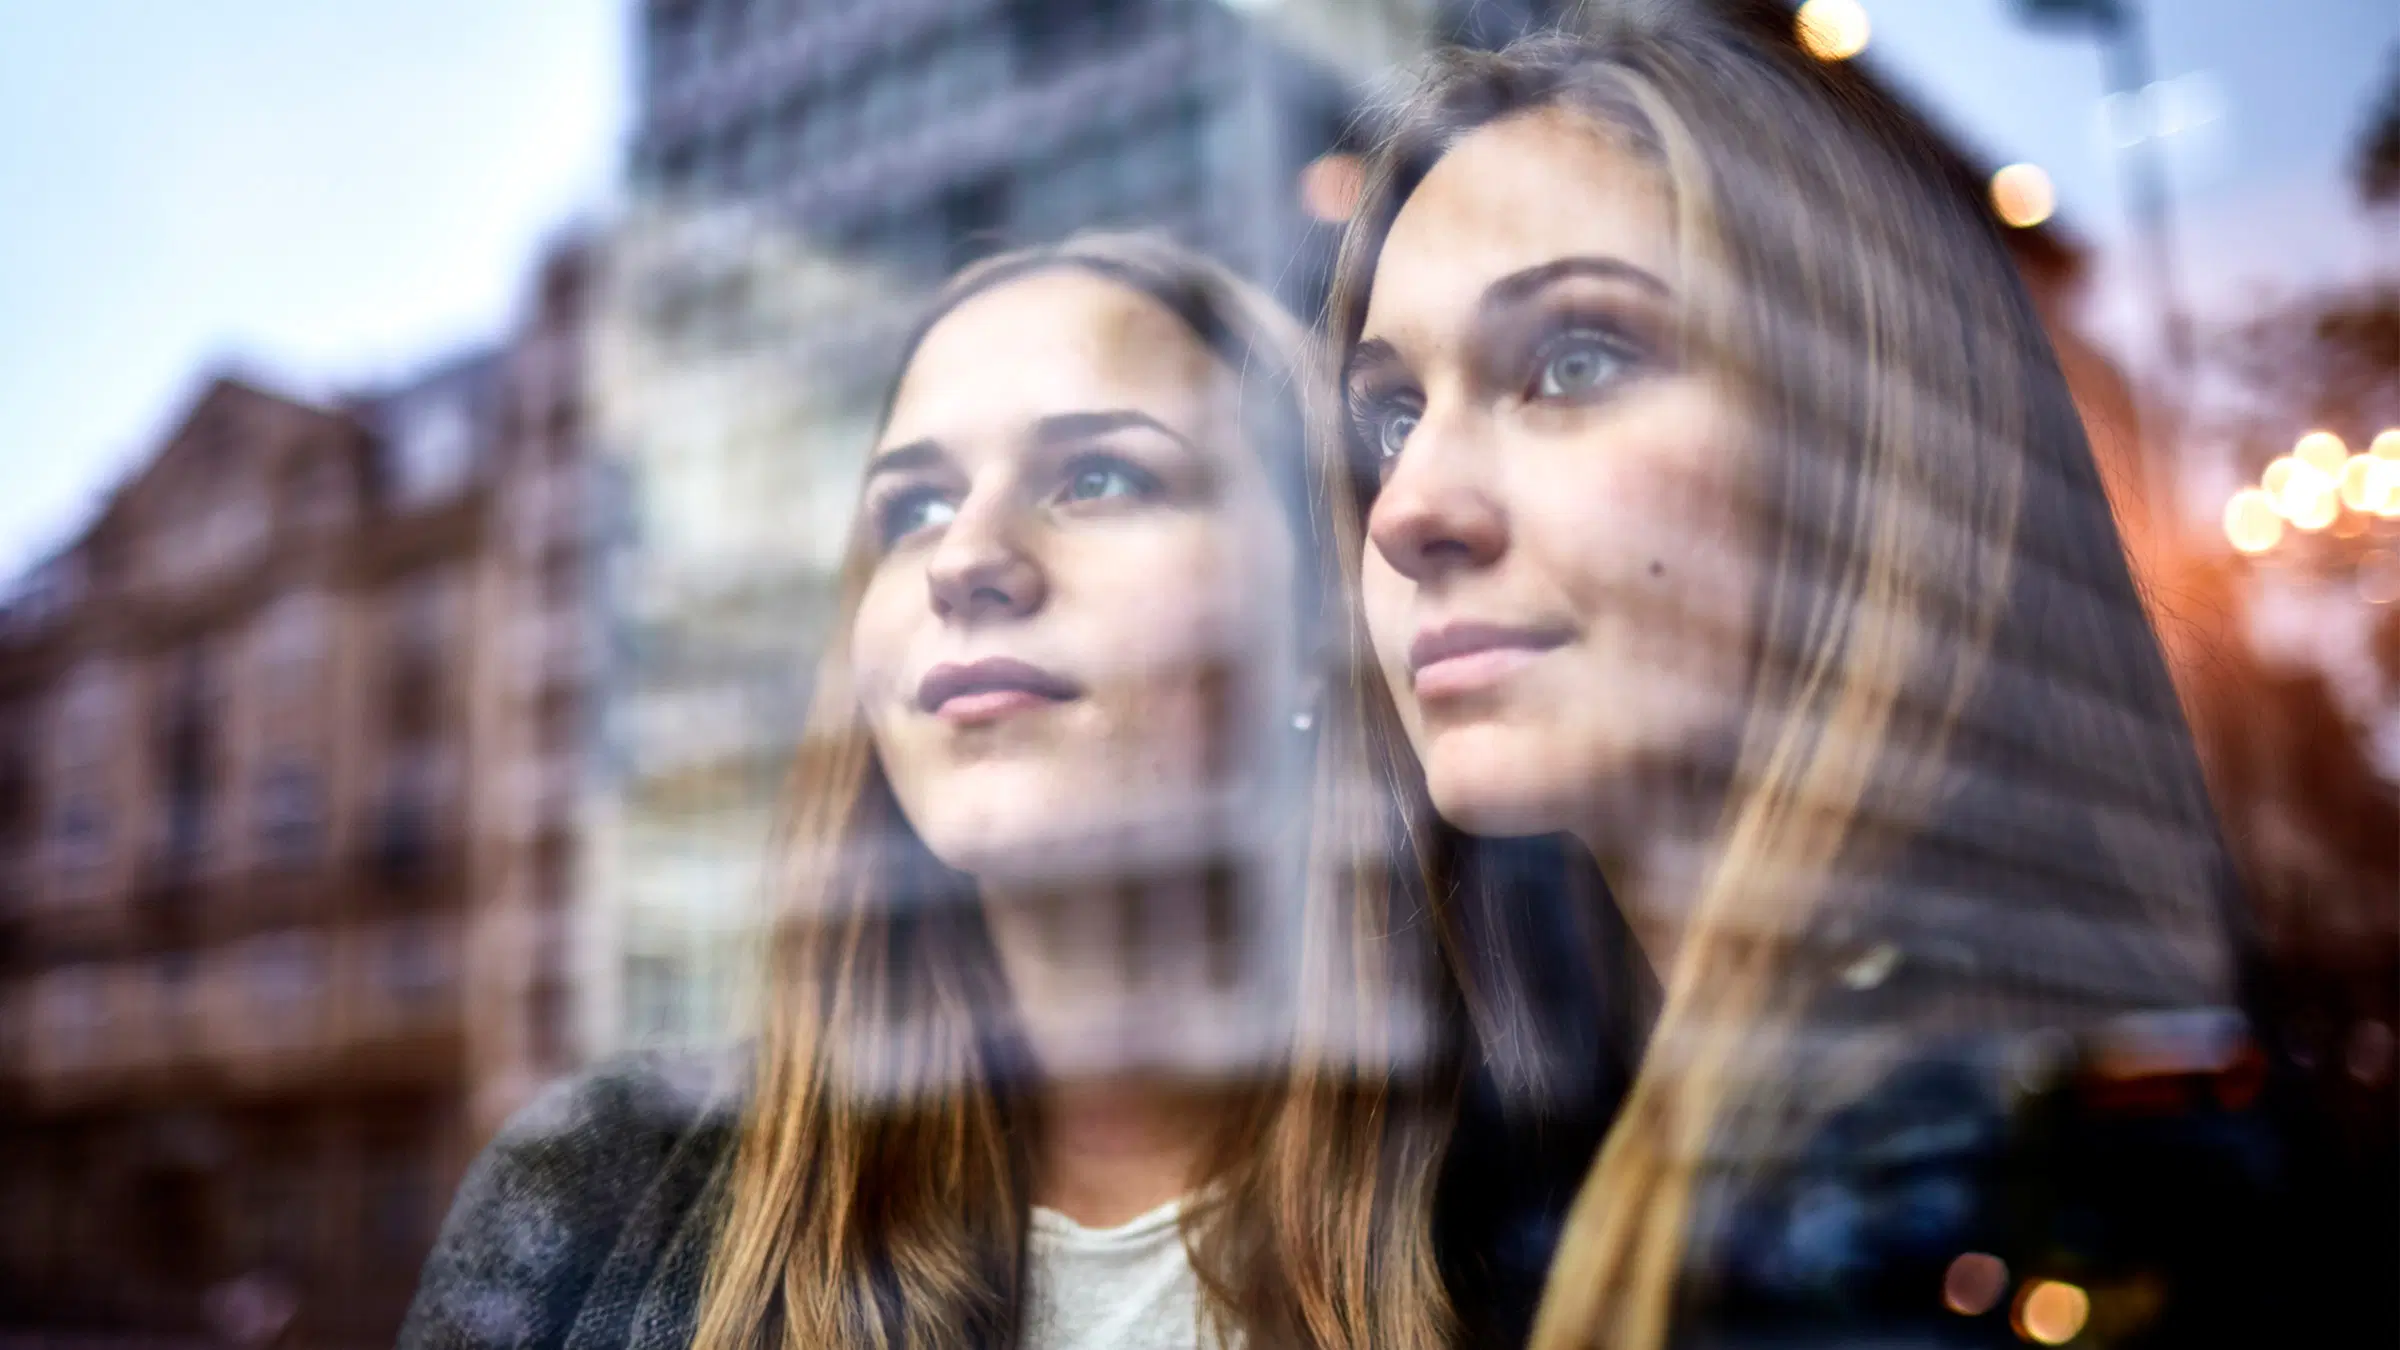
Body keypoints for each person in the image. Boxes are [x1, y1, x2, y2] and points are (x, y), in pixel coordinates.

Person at [397, 233, 1627, 1350]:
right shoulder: (601, 1191)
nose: (967, 560)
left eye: (1099, 478)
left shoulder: (1591, 1206)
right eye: (913, 508)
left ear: (1315, 611)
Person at [1318, 10, 2292, 1349]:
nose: (1407, 506)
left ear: (1866, 454)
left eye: (1573, 359)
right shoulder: (1504, 1163)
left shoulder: (1969, 1188)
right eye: (1390, 416)